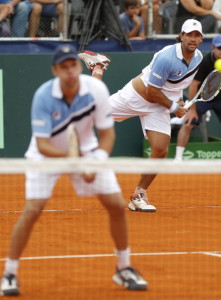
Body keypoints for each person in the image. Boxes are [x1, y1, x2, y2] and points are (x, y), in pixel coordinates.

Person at [0, 45, 148, 296]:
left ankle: (123, 268)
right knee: (33, 210)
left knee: (115, 204)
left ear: (79, 67)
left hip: (87, 149)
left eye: (73, 65)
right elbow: (44, 145)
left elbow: (107, 133)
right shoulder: (44, 96)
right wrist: (76, 159)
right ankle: (9, 274)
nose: (69, 71)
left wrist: (96, 159)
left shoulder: (96, 89)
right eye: (63, 66)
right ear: (55, 70)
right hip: (46, 155)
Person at [78, 19, 204, 212]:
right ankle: (98, 67)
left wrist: (176, 100)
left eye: (197, 35)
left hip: (158, 107)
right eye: (189, 34)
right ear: (181, 36)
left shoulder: (198, 58)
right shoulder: (166, 57)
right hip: (136, 97)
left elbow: (178, 84)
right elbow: (152, 90)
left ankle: (138, 195)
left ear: (201, 38)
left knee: (160, 149)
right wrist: (174, 107)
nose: (193, 39)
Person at [175, 34, 221, 161]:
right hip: (202, 98)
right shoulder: (205, 62)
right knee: (188, 123)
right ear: (213, 47)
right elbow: (193, 86)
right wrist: (193, 110)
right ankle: (178, 159)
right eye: (220, 48)